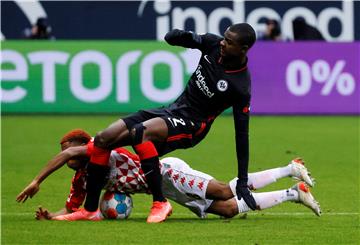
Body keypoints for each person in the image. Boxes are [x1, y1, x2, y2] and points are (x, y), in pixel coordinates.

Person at [78, 23, 258, 223]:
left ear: (243, 49)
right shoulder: (213, 44)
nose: (223, 43)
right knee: (104, 138)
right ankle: (90, 210)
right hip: (172, 110)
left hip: (193, 125)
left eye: (229, 42)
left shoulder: (240, 86)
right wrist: (186, 37)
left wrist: (242, 180)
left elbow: (241, 135)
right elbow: (171, 37)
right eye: (224, 38)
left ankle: (160, 203)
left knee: (141, 132)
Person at [16, 129, 321, 221]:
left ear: (82, 146)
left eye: (67, 148)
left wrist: (37, 180)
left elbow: (69, 154)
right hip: (164, 191)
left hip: (169, 174)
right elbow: (76, 208)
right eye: (62, 149)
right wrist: (52, 218)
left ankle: (288, 168)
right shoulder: (83, 180)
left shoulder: (101, 147)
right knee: (227, 209)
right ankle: (294, 192)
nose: (65, 153)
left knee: (226, 191)